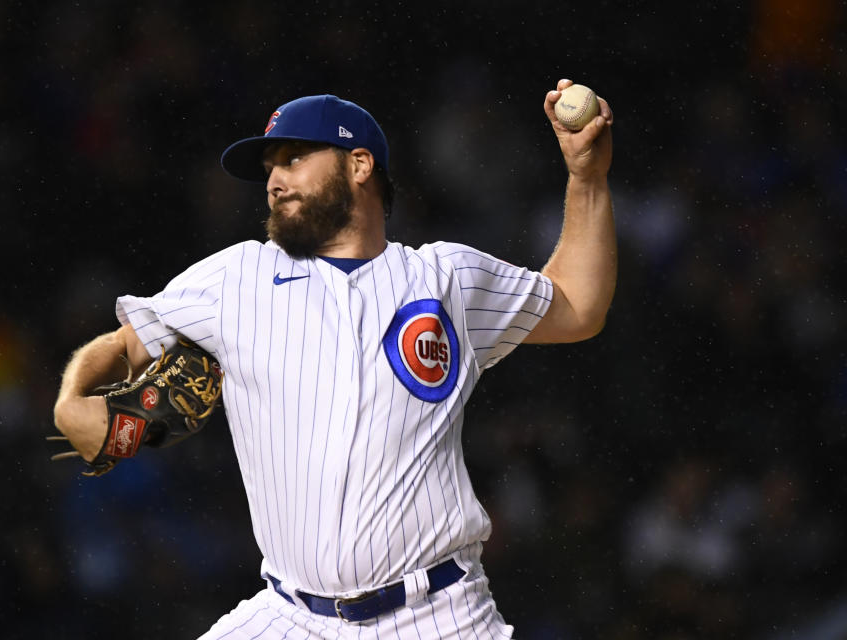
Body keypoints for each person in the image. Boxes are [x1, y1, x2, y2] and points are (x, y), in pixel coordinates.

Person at [53, 79, 616, 638]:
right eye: (269, 168)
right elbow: (121, 344)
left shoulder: (448, 279)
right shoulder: (234, 279)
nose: (274, 180)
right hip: (290, 616)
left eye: (293, 159)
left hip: (439, 615)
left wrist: (586, 178)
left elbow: (577, 306)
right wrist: (71, 401)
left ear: (360, 165)